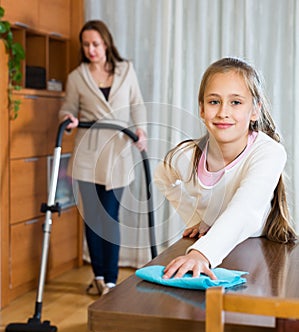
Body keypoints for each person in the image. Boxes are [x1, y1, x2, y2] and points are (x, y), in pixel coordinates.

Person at [154, 57, 297, 281]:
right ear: (201, 109)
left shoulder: (269, 152)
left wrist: (201, 253)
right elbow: (162, 178)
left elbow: (245, 210)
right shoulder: (187, 156)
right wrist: (193, 217)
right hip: (216, 253)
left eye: (236, 102)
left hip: (259, 257)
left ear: (255, 111)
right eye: (214, 102)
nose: (223, 112)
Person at [58, 20, 147, 295]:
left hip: (118, 153)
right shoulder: (77, 77)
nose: (91, 49)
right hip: (88, 154)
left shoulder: (126, 70)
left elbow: (137, 103)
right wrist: (68, 119)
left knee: (110, 217)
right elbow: (67, 108)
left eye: (95, 44)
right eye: (86, 45)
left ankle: (110, 280)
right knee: (93, 219)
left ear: (106, 43)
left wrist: (140, 130)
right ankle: (98, 277)